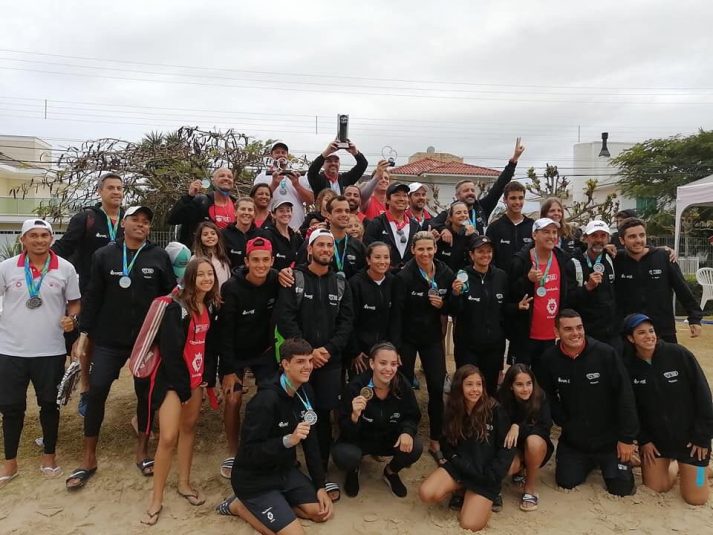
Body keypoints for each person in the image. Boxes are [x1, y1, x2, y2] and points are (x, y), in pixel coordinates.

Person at [66, 206, 176, 490]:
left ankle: (142, 451)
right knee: (97, 390)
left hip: (145, 341)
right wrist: (84, 333)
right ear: (123, 223)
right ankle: (88, 458)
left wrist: (167, 336)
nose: (141, 225)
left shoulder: (158, 256)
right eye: (136, 220)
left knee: (144, 395)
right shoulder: (104, 255)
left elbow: (169, 298)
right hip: (108, 340)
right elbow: (93, 295)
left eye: (146, 222)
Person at [216, 338, 333, 534]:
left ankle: (279, 507)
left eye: (309, 361)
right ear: (285, 364)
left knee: (319, 512)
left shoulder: (305, 391)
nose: (307, 367)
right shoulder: (265, 400)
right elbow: (250, 452)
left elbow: (311, 442)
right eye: (300, 362)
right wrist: (288, 441)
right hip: (255, 479)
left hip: (284, 471)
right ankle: (239, 507)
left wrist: (320, 485)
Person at [0, 219, 81, 488]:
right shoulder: (7, 268)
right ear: (23, 240)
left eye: (44, 235)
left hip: (50, 350)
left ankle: (49, 456)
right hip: (10, 350)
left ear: (51, 238)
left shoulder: (65, 268)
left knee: (49, 404)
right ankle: (10, 461)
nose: (39, 240)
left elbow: (74, 303)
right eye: (33, 235)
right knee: (11, 407)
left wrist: (72, 319)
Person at [141, 257, 220, 525]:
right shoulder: (177, 307)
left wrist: (207, 377)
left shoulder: (209, 304)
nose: (207, 279)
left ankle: (184, 483)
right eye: (201, 275)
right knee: (168, 437)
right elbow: (171, 353)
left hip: (196, 380)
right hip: (175, 382)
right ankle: (156, 499)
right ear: (190, 278)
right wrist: (185, 388)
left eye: (210, 274)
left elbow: (209, 346)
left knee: (189, 430)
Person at [275, 229, 354, 477]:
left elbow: (346, 322)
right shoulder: (294, 279)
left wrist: (328, 350)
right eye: (320, 245)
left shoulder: (341, 283)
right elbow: (286, 319)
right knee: (295, 413)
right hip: (300, 361)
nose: (326, 250)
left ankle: (320, 469)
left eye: (330, 246)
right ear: (309, 249)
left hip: (330, 361)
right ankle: (289, 464)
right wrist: (309, 353)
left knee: (323, 413)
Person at [538, 309, 639, 497]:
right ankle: (590, 462)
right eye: (568, 329)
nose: (575, 333)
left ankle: (620, 460)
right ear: (556, 332)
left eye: (579, 327)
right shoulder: (549, 359)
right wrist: (564, 421)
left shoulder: (605, 353)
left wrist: (626, 438)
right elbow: (547, 396)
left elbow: (625, 395)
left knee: (621, 488)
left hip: (609, 439)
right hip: (576, 441)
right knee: (566, 481)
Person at [51, 172, 125, 415]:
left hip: (120, 291)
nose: (116, 192)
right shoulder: (87, 218)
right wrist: (39, 261)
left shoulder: (128, 218)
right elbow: (64, 247)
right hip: (90, 291)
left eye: (120, 188)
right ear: (100, 192)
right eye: (111, 188)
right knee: (88, 339)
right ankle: (85, 388)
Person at [623, 313, 712, 506]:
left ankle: (701, 471)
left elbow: (704, 396)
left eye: (651, 331)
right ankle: (677, 467)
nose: (649, 336)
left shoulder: (678, 354)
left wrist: (702, 437)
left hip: (692, 442)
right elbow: (633, 409)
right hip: (658, 442)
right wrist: (644, 439)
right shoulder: (629, 367)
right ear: (631, 338)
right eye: (641, 333)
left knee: (696, 497)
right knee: (656, 487)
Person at [419, 365, 515, 532]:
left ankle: (482, 497)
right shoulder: (452, 410)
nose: (475, 389)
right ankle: (462, 488)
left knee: (470, 524)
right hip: (461, 469)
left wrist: (493, 475)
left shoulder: (495, 410)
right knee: (426, 493)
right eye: (469, 384)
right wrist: (457, 462)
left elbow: (506, 449)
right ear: (459, 386)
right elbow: (446, 445)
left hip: (486, 474)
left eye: (479, 384)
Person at [217, 237, 280, 479]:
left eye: (265, 260)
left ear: (272, 260)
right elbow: (225, 332)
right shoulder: (232, 288)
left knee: (271, 396)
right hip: (236, 352)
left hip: (263, 351)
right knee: (233, 399)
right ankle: (233, 451)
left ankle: (265, 444)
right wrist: (229, 370)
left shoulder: (276, 279)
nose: (261, 265)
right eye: (255, 260)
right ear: (246, 261)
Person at [333, 342, 422, 498]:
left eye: (393, 364)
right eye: (383, 363)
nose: (388, 369)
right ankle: (353, 470)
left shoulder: (402, 384)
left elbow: (412, 415)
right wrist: (354, 416)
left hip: (389, 438)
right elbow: (343, 427)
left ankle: (390, 472)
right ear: (372, 363)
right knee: (344, 455)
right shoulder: (356, 387)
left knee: (415, 447)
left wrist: (407, 431)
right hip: (360, 439)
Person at [394, 231, 454, 460]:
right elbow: (397, 315)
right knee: (402, 387)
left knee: (437, 388)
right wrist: (396, 347)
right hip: (408, 340)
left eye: (429, 249)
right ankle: (401, 432)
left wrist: (444, 304)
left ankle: (436, 439)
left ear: (435, 249)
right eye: (420, 249)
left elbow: (455, 305)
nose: (425, 253)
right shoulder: (404, 276)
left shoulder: (445, 272)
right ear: (413, 250)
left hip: (432, 339)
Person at [451, 235, 531, 395]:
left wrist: (517, 307)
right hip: (467, 346)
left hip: (494, 346)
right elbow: (453, 310)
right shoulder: (462, 276)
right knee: (467, 389)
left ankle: (489, 419)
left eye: (489, 251)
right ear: (472, 254)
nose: (485, 255)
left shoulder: (501, 276)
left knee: (490, 389)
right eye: (480, 251)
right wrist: (455, 294)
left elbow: (504, 307)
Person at [614, 217, 703, 343]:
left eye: (642, 235)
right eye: (632, 236)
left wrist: (695, 318)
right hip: (630, 332)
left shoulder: (664, 257)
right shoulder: (616, 260)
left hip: (663, 330)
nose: (639, 240)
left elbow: (682, 288)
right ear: (622, 240)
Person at [431, 138, 525, 241]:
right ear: (457, 196)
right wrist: (444, 229)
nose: (470, 193)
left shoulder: (482, 208)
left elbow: (499, 187)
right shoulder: (451, 212)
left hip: (479, 254)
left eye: (472, 190)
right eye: (466, 191)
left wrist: (514, 160)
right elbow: (433, 223)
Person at [509, 218, 570, 374]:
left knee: (546, 382)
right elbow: (510, 292)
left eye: (554, 232)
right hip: (526, 335)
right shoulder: (521, 260)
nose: (551, 236)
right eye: (546, 232)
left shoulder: (561, 257)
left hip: (552, 335)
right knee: (521, 380)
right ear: (534, 235)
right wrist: (527, 280)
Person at [497, 364, 554, 512]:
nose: (525, 389)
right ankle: (519, 469)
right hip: (511, 446)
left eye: (529, 383)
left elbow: (545, 427)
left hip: (536, 446)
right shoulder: (501, 399)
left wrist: (517, 426)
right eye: (519, 384)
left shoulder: (540, 396)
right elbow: (500, 432)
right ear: (510, 386)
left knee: (533, 441)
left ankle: (529, 488)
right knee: (508, 468)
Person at [346, 242, 399, 376]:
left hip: (386, 351)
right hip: (361, 354)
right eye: (377, 257)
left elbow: (397, 319)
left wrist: (394, 349)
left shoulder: (394, 283)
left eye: (386, 257)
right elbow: (349, 320)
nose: (382, 262)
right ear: (368, 260)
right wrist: (355, 351)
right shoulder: (355, 284)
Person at [565, 220, 619, 350]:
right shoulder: (573, 263)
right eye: (594, 236)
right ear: (585, 238)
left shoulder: (611, 258)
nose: (598, 240)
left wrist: (665, 249)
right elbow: (567, 300)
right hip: (586, 334)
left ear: (608, 239)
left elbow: (636, 250)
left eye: (603, 236)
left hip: (610, 333)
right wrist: (586, 288)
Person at [167, 167, 236, 246]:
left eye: (230, 177)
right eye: (222, 176)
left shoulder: (238, 205)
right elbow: (173, 219)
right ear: (213, 181)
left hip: (227, 255)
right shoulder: (200, 202)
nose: (226, 178)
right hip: (201, 254)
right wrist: (189, 196)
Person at [253, 141, 314, 230]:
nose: (280, 155)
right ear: (271, 156)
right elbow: (255, 200)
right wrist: (274, 184)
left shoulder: (298, 175)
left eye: (283, 152)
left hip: (296, 227)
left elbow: (310, 200)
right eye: (277, 152)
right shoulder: (262, 176)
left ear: (287, 155)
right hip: (270, 228)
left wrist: (296, 185)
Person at [364, 183, 421, 271]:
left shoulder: (416, 226)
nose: (401, 199)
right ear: (387, 200)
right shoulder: (376, 224)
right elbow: (368, 252)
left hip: (409, 278)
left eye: (405, 196)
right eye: (397, 195)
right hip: (385, 277)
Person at [485, 181, 534, 273]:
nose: (517, 202)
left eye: (520, 198)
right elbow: (489, 257)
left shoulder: (533, 226)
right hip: (502, 283)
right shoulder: (494, 227)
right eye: (513, 198)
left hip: (527, 282)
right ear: (505, 200)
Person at [222, 197, 268, 270]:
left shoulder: (262, 235)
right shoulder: (223, 234)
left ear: (254, 214)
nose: (246, 213)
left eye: (250, 210)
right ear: (235, 212)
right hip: (231, 279)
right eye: (243, 209)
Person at [262, 199, 303, 271]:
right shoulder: (267, 235)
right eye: (281, 211)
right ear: (273, 214)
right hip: (274, 279)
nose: (285, 214)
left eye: (288, 210)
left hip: (294, 279)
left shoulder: (296, 236)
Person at [436, 201, 476, 273]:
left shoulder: (472, 235)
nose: (463, 215)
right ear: (450, 218)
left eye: (465, 212)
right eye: (458, 213)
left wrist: (471, 236)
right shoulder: (444, 235)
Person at [191, 221, 232, 289]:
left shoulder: (223, 259)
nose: (210, 236)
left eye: (213, 233)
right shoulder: (195, 259)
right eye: (205, 234)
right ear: (200, 238)